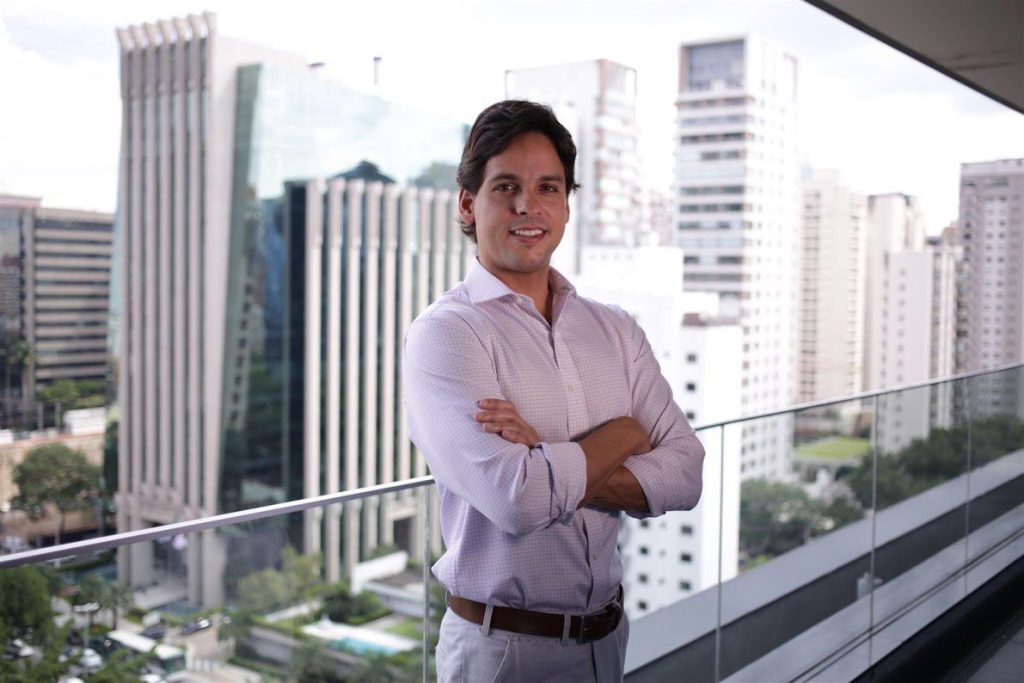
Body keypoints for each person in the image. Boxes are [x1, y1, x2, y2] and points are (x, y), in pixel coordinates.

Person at [403, 100, 705, 682]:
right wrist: (625, 434)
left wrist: (545, 453)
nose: (528, 206)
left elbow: (686, 474)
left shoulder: (615, 330)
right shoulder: (447, 334)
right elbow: (518, 501)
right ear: (467, 203)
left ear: (566, 204)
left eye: (548, 187)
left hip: (607, 640)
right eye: (506, 187)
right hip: (502, 652)